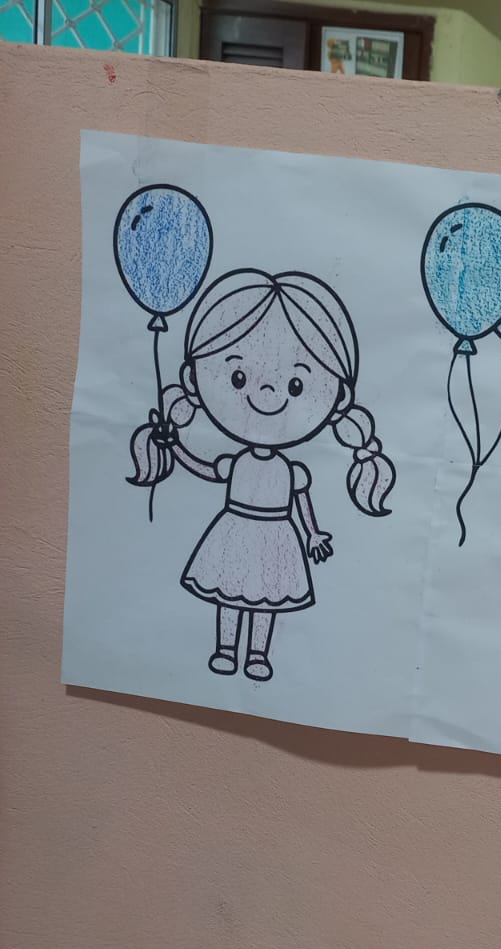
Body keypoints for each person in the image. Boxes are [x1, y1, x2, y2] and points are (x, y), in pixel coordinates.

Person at [128, 269, 396, 680]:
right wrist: (173, 446)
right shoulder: (237, 463)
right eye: (238, 377)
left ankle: (257, 654)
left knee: (267, 599)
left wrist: (313, 534)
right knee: (229, 593)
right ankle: (224, 649)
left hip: (276, 536)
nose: (268, 393)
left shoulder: (292, 471)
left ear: (338, 398)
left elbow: (302, 503)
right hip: (236, 531)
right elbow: (203, 469)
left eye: (296, 385)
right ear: (193, 379)